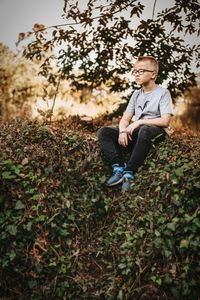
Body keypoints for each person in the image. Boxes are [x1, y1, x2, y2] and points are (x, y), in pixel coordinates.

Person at [98, 56, 173, 191]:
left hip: (155, 131)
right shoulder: (136, 94)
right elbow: (125, 119)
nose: (137, 74)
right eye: (135, 71)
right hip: (138, 132)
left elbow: (165, 121)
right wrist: (122, 130)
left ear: (153, 75)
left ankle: (129, 172)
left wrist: (139, 122)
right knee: (104, 132)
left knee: (144, 129)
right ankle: (118, 168)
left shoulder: (163, 93)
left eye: (141, 71)